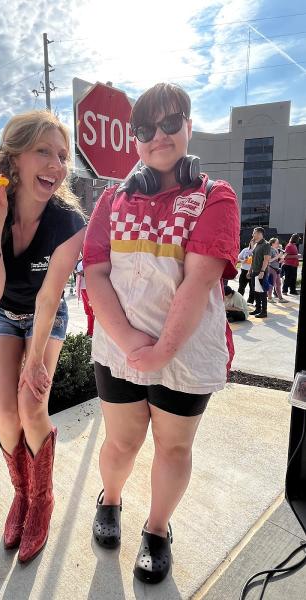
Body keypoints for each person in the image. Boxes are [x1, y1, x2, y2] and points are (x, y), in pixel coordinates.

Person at [83, 82, 239, 585]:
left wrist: (163, 350)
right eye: (145, 129)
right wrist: (132, 344)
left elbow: (200, 278)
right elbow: (96, 273)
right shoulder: (111, 198)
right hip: (118, 348)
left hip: (186, 356)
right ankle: (109, 500)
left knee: (173, 449)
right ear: (135, 139)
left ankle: (156, 529)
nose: (158, 136)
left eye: (171, 123)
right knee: (122, 444)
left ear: (189, 127)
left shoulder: (215, 196)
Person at [0, 110, 86, 563]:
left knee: (32, 404)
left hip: (43, 314)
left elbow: (51, 296)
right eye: (44, 152)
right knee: (4, 414)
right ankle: (22, 494)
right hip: (0, 311)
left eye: (62, 156)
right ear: (15, 156)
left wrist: (35, 360)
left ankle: (44, 499)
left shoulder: (69, 222)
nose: (56, 164)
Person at [249, 227, 271, 319]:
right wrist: (250, 270)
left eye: (254, 233)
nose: (253, 235)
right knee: (256, 292)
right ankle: (257, 309)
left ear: (259, 233)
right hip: (254, 271)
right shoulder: (256, 244)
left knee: (262, 292)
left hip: (261, 272)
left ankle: (264, 311)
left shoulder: (266, 244)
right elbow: (253, 259)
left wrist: (262, 271)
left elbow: (266, 260)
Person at [76, 257, 95, 336]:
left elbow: (93, 272)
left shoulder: (92, 259)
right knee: (88, 312)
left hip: (90, 288)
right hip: (83, 288)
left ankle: (92, 332)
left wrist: (82, 273)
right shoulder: (81, 260)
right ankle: (90, 331)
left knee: (92, 312)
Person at [267, 238, 287, 303]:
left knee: (278, 284)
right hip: (271, 268)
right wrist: (278, 256)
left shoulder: (276, 250)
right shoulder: (270, 250)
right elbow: (269, 260)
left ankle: (280, 298)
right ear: (272, 243)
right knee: (271, 284)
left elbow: (277, 261)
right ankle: (269, 298)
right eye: (277, 243)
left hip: (276, 269)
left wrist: (282, 258)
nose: (278, 244)